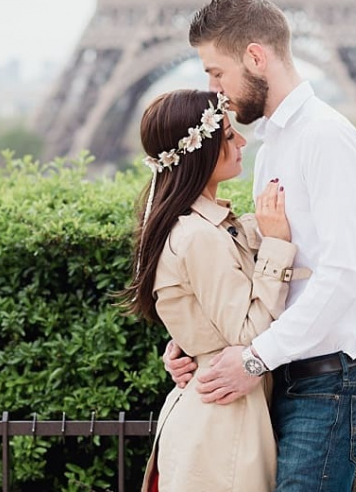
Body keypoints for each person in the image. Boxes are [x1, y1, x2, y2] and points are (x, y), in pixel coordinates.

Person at [163, 0, 356, 491]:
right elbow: (255, 268)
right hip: (282, 369)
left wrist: (254, 357)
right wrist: (195, 338)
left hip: (329, 379)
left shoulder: (325, 138)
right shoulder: (271, 147)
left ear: (255, 57)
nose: (215, 90)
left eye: (216, 72)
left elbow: (345, 274)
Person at [122, 89, 310, 491]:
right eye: (228, 136)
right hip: (223, 426)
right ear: (198, 152)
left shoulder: (201, 226)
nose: (241, 141)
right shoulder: (199, 236)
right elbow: (245, 334)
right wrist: (277, 245)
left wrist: (187, 345)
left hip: (213, 415)